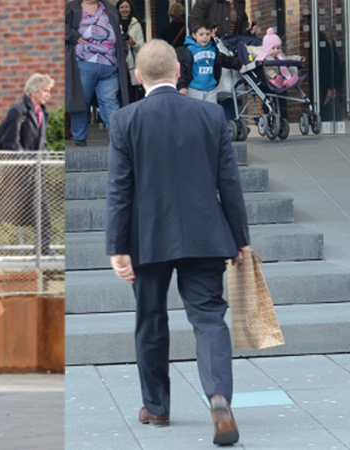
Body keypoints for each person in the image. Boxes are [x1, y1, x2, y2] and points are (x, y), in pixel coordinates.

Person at [107, 40, 249, 446]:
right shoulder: (209, 115)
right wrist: (240, 239)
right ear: (177, 72)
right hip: (206, 235)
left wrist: (117, 246)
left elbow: (120, 190)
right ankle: (219, 396)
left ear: (138, 77)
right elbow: (230, 183)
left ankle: (157, 407)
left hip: (147, 238)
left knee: (150, 321)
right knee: (209, 319)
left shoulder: (124, 120)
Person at [0, 74, 56, 257]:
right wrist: (26, 161)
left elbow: (40, 142)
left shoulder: (42, 113)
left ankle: (43, 247)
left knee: (43, 209)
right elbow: (11, 142)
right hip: (19, 171)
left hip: (36, 170)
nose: (48, 95)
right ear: (33, 91)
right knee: (2, 209)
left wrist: (45, 158)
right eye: (45, 91)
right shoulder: (18, 111)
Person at [66, 0, 131, 147]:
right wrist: (73, 35)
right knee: (82, 101)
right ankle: (80, 138)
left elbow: (117, 31)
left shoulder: (109, 7)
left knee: (110, 101)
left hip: (110, 64)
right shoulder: (71, 7)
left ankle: (118, 138)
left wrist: (122, 50)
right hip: (84, 62)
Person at [176, 21, 241, 103]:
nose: (205, 37)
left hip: (211, 90)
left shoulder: (213, 49)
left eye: (207, 34)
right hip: (193, 89)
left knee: (211, 114)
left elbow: (224, 60)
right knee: (195, 114)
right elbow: (182, 69)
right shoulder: (188, 51)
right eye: (201, 34)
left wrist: (239, 65)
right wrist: (181, 86)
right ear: (194, 35)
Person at [116, 0, 146, 101]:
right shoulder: (114, 24)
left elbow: (142, 48)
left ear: (131, 9)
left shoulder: (136, 24)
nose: (124, 10)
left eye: (126, 7)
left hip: (132, 65)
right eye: (122, 7)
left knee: (132, 94)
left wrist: (134, 44)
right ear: (118, 9)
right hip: (118, 63)